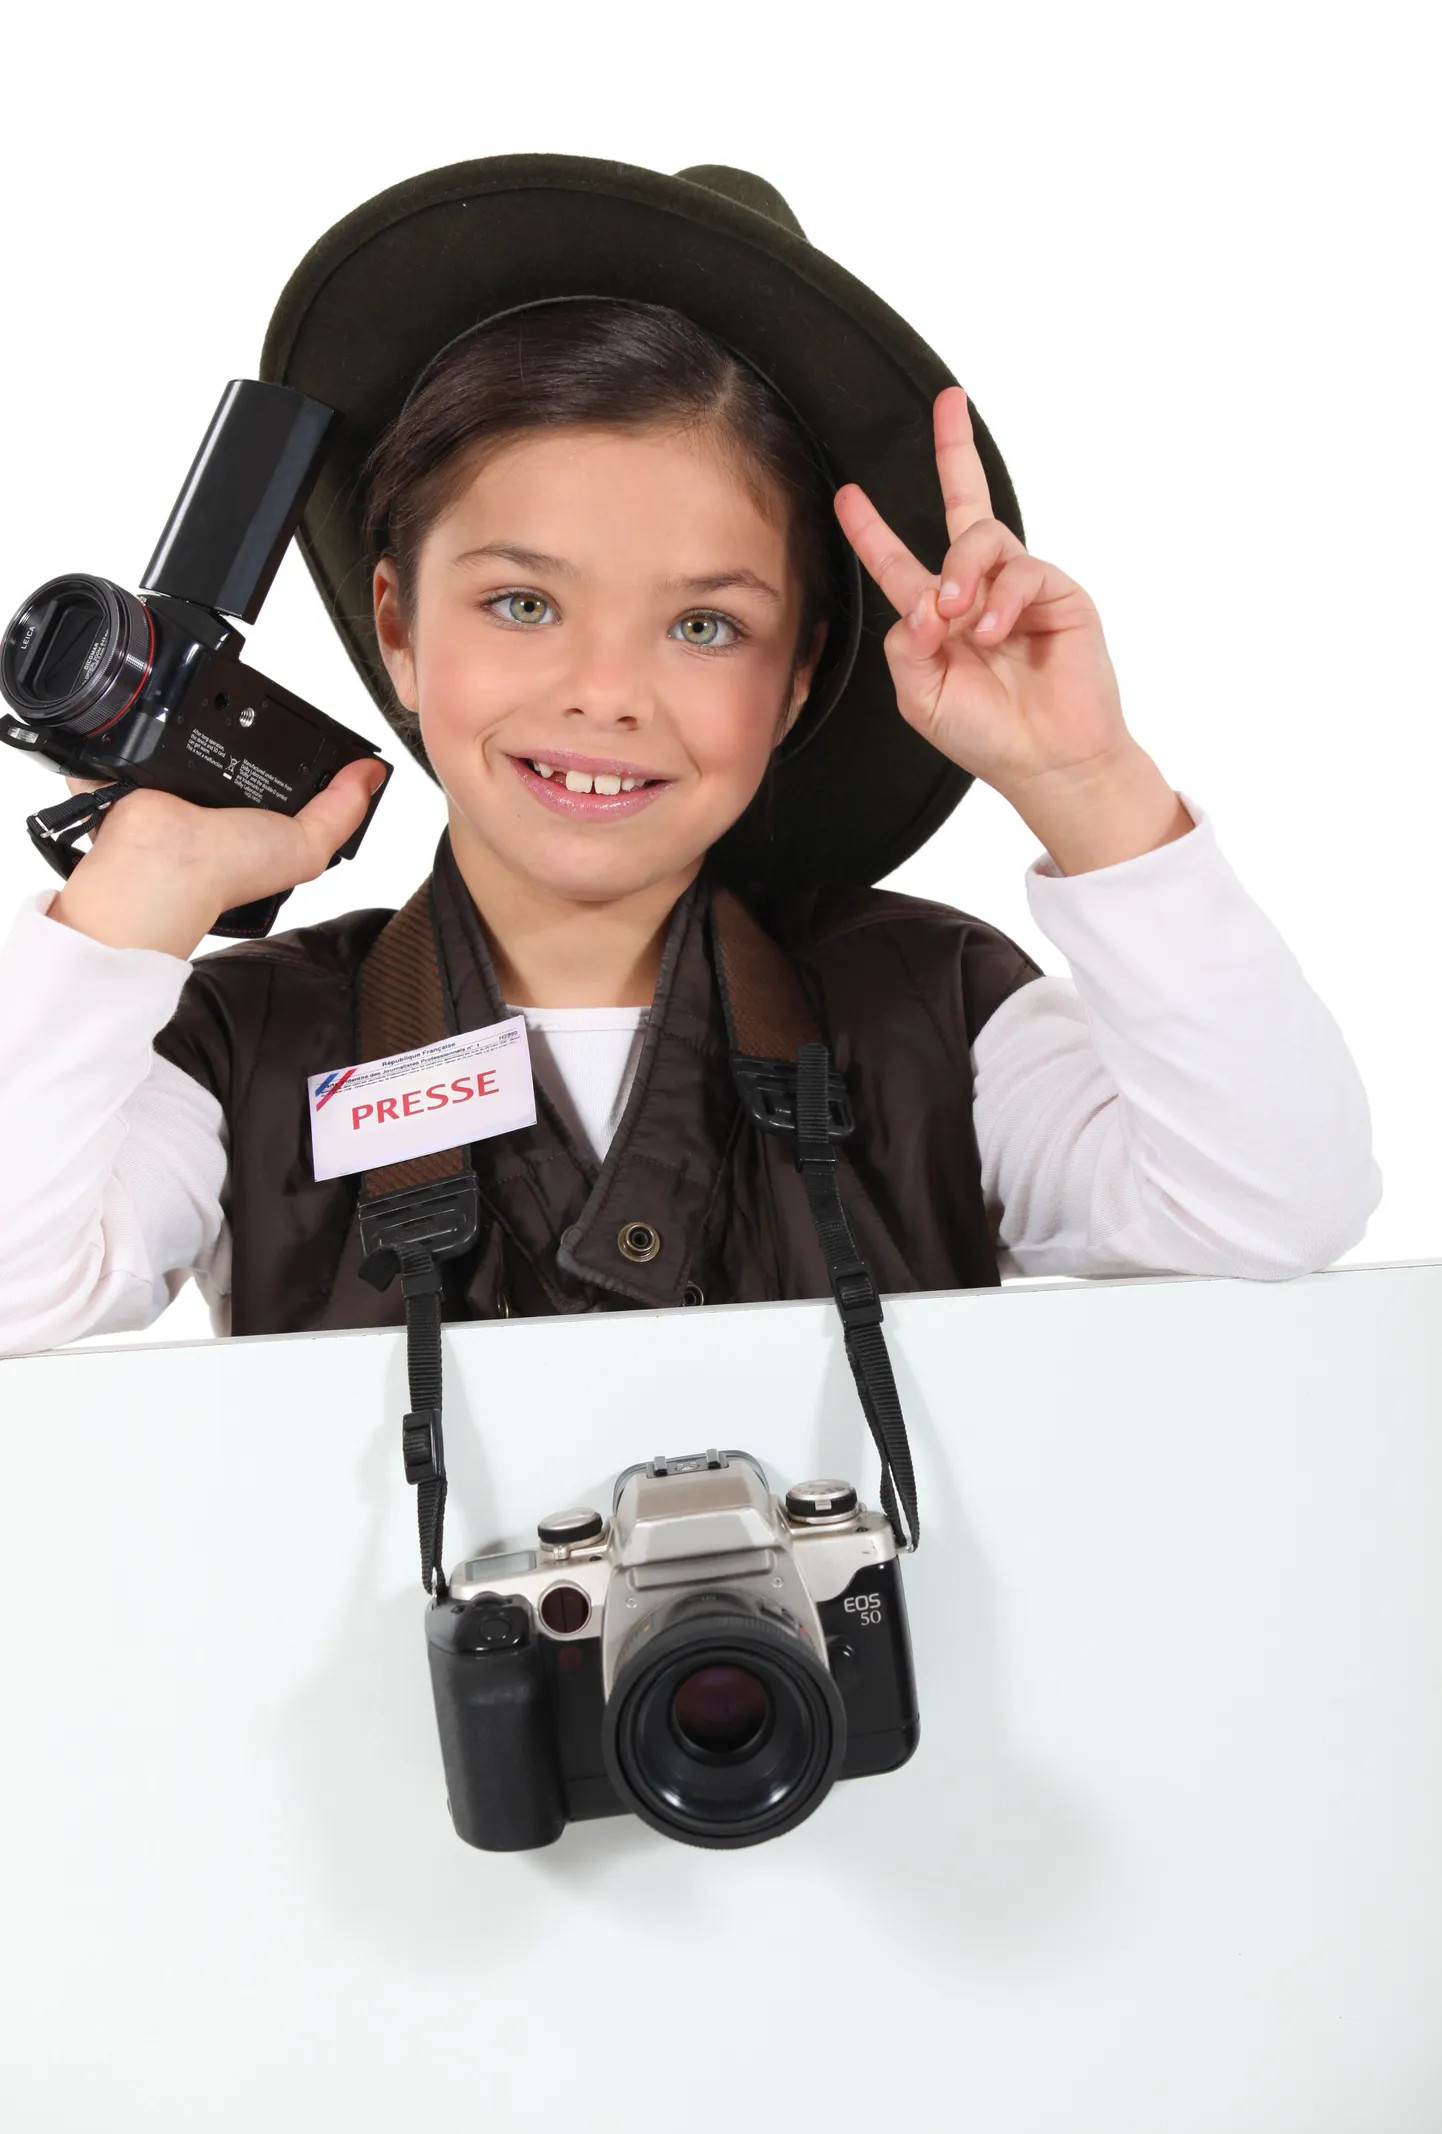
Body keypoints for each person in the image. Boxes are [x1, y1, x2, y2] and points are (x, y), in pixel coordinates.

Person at [0, 154, 1381, 1360]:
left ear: (796, 682)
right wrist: (137, 892)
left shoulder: (930, 1011)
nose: (606, 693)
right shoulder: (247, 1042)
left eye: (706, 624)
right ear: (396, 626)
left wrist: (1086, 783)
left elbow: (1272, 1203)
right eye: (523, 602)